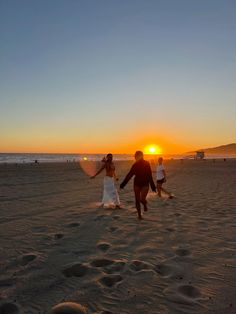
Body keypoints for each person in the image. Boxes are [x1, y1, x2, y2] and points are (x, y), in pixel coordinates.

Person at [120, 151, 156, 219]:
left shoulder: (147, 163)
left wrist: (153, 186)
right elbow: (129, 175)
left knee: (142, 199)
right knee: (137, 200)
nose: (135, 157)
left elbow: (150, 175)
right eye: (135, 156)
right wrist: (123, 184)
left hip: (145, 183)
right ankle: (139, 215)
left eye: (136, 156)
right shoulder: (135, 165)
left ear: (141, 156)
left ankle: (144, 204)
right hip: (137, 184)